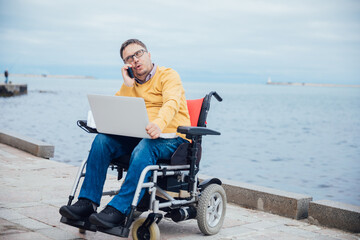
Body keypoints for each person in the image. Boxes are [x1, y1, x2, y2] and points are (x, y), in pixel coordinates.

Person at [59, 39, 191, 228]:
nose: (135, 60)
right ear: (126, 65)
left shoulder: (169, 75)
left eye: (138, 54)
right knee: (102, 141)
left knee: (145, 147)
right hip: (140, 136)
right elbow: (116, 111)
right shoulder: (130, 84)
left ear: (148, 54)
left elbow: (171, 104)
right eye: (129, 58)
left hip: (172, 138)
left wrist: (158, 124)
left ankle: (120, 209)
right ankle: (87, 202)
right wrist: (128, 85)